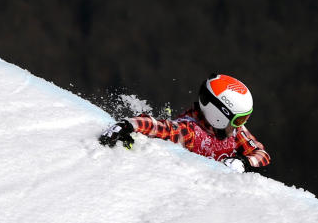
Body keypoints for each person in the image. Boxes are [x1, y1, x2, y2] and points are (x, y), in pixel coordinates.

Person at [99, 74, 271, 173]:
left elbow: (261, 153)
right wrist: (129, 125)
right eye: (239, 119)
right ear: (220, 114)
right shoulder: (190, 131)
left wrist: (244, 162)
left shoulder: (235, 130)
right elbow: (162, 129)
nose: (241, 125)